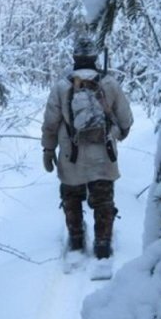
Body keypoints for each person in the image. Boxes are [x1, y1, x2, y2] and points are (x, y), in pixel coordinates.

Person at [41, 34, 133, 260]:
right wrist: (117, 135)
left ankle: (76, 239)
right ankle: (102, 244)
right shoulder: (109, 83)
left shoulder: (62, 86)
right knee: (103, 201)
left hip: (71, 157)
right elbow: (126, 119)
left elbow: (50, 123)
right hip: (103, 156)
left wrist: (48, 150)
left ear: (74, 57)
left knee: (71, 198)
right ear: (94, 57)